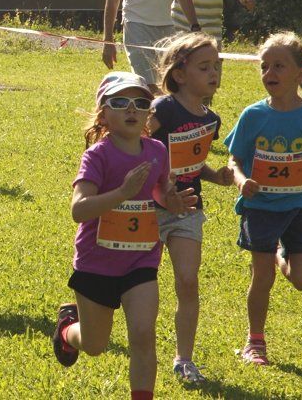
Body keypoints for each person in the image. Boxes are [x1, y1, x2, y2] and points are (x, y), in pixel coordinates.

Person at [52, 72, 196, 400]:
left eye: (140, 103)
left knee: (143, 336)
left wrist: (172, 201)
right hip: (96, 262)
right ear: (103, 113)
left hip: (141, 259)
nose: (132, 109)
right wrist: (121, 193)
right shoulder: (97, 156)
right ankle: (67, 329)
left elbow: (160, 190)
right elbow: (79, 210)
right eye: (120, 102)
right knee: (94, 345)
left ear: (149, 114)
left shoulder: (157, 150)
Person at [224, 31, 302, 367]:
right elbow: (234, 159)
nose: (270, 73)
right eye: (264, 66)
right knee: (261, 276)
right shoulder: (253, 115)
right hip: (260, 208)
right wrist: (241, 180)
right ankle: (255, 342)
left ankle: (282, 253)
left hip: (300, 207)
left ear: (300, 72)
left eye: (279, 66)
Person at [148, 32, 234, 384]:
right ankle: (91, 316)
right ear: (180, 74)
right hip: (147, 208)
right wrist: (159, 191)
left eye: (216, 66)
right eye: (204, 67)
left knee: (187, 280)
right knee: (132, 281)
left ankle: (184, 359)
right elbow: (136, 147)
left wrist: (217, 177)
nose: (213, 73)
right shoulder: (162, 109)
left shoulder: (210, 119)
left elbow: (192, 164)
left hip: (187, 209)